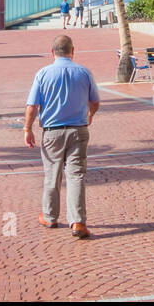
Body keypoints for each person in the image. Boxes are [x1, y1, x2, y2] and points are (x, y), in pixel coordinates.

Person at [24, 35, 99, 238]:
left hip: (52, 132)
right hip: (78, 130)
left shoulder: (43, 74)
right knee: (76, 175)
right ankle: (78, 222)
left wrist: (27, 129)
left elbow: (32, 106)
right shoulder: (84, 72)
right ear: (72, 51)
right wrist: (90, 115)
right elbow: (95, 101)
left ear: (52, 52)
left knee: (52, 174)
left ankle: (50, 216)